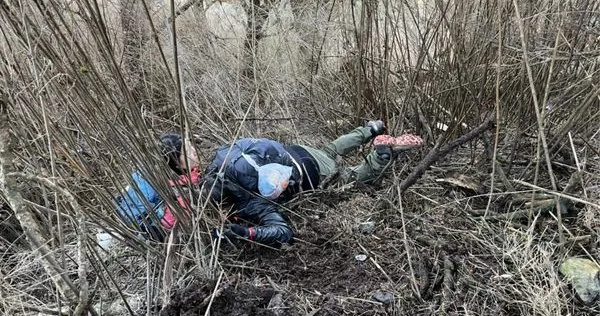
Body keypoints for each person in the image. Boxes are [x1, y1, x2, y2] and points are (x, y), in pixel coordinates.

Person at [161, 121, 423, 247]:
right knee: (331, 149)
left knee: (353, 178)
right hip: (296, 151)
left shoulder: (244, 199)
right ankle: (370, 129)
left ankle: (382, 154)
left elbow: (282, 231)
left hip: (311, 173)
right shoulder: (221, 158)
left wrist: (248, 233)